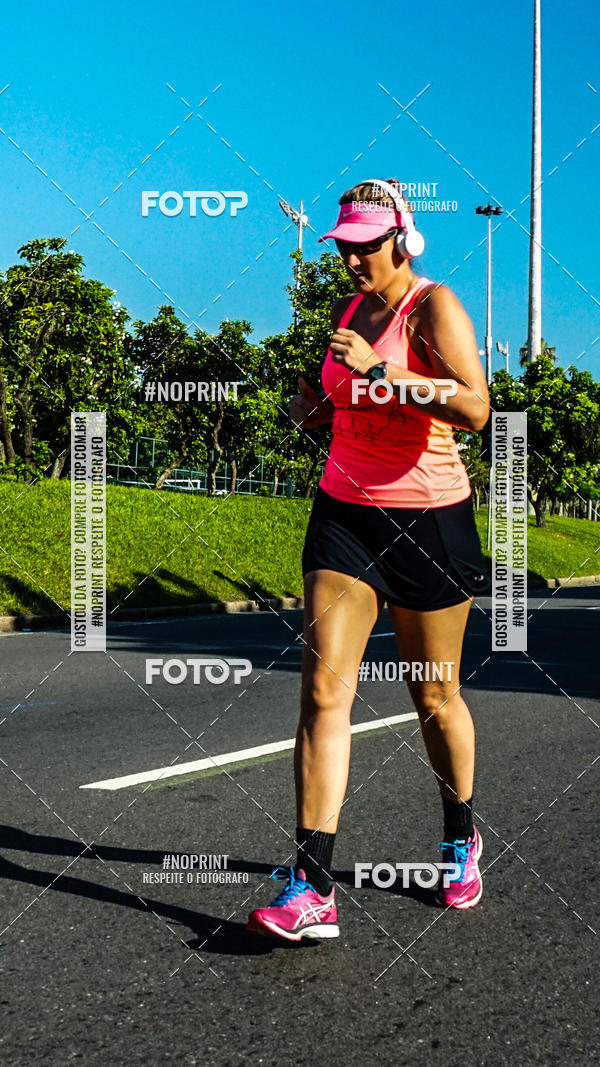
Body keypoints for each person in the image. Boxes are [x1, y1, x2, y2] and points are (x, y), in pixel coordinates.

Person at [247, 178, 490, 942]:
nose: (350, 259)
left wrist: (385, 373)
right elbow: (336, 396)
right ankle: (313, 886)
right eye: (342, 246)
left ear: (400, 240)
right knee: (324, 689)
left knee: (434, 694)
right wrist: (310, 407)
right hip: (345, 511)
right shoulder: (346, 313)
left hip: (431, 518)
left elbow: (475, 408)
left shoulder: (434, 305)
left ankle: (460, 836)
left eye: (362, 245)